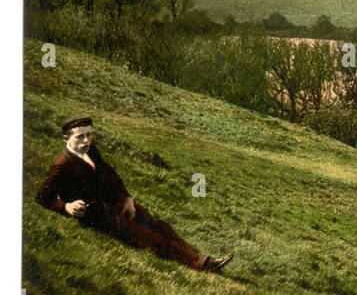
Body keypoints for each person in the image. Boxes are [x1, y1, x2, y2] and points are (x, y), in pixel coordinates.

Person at [35, 116, 232, 273]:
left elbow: (110, 175)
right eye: (80, 136)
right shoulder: (61, 165)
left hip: (114, 204)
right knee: (151, 239)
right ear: (66, 139)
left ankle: (199, 257)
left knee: (160, 226)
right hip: (98, 216)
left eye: (89, 135)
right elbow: (43, 198)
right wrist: (67, 207)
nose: (86, 140)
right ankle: (203, 265)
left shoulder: (90, 150)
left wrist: (127, 199)